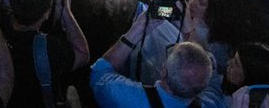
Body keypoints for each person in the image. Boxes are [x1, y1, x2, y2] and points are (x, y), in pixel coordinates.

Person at [91, 28, 225, 107]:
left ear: (163, 71)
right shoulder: (211, 104)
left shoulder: (121, 93)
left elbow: (99, 71)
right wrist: (188, 28)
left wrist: (136, 30)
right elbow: (213, 89)